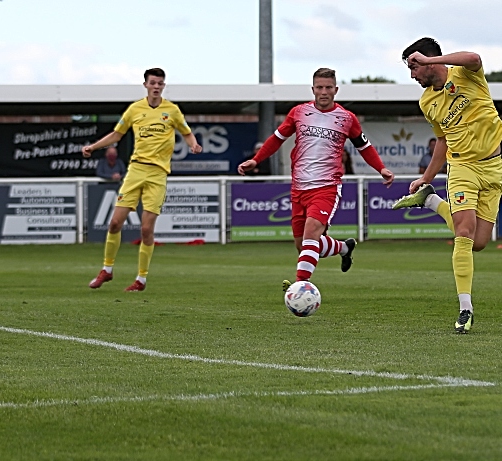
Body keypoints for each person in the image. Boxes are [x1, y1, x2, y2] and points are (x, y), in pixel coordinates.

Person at [238, 68, 394, 293]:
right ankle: (343, 248)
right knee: (304, 246)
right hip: (299, 187)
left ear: (336, 90)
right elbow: (276, 138)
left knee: (312, 234)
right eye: (319, 87)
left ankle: (301, 287)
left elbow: (364, 147)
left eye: (328, 87)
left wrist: (381, 168)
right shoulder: (298, 112)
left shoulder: (346, 118)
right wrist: (256, 160)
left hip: (327, 186)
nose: (324, 92)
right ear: (313, 89)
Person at [393, 37, 502, 333]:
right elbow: (442, 140)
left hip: (494, 168)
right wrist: (427, 176)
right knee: (464, 233)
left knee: (479, 242)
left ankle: (431, 201)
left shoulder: (466, 74)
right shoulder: (427, 101)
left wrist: (429, 60)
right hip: (462, 167)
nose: (413, 75)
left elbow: (475, 56)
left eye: (414, 67)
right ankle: (465, 309)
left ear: (429, 60)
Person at [83, 67, 202, 292]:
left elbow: (186, 132)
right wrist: (93, 146)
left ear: (163, 86)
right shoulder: (135, 109)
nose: (156, 86)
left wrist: (192, 144)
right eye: (152, 83)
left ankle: (141, 279)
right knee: (115, 222)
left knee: (146, 230)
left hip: (157, 174)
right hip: (136, 170)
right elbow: (117, 134)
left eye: (160, 83)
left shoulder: (172, 110)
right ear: (146, 85)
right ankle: (107, 270)